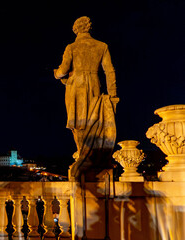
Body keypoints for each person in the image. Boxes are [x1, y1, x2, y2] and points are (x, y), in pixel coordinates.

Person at [54, 17, 119, 179]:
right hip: (94, 84)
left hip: (76, 86)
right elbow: (110, 72)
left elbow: (63, 70)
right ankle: (90, 157)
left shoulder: (72, 47)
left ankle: (84, 157)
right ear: (89, 28)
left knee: (79, 123)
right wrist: (113, 95)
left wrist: (56, 73)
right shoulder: (101, 46)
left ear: (76, 29)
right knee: (93, 121)